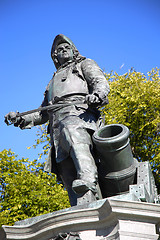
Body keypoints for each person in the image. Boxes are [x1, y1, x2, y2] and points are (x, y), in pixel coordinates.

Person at [5, 34, 110, 206]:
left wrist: (97, 95)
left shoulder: (84, 64)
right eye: (58, 50)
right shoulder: (51, 82)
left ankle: (88, 178)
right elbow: (42, 113)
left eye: (66, 47)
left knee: (75, 139)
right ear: (55, 56)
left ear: (73, 51)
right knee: (65, 168)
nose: (63, 50)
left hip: (79, 115)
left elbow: (100, 81)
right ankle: (78, 204)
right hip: (56, 126)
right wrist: (20, 118)